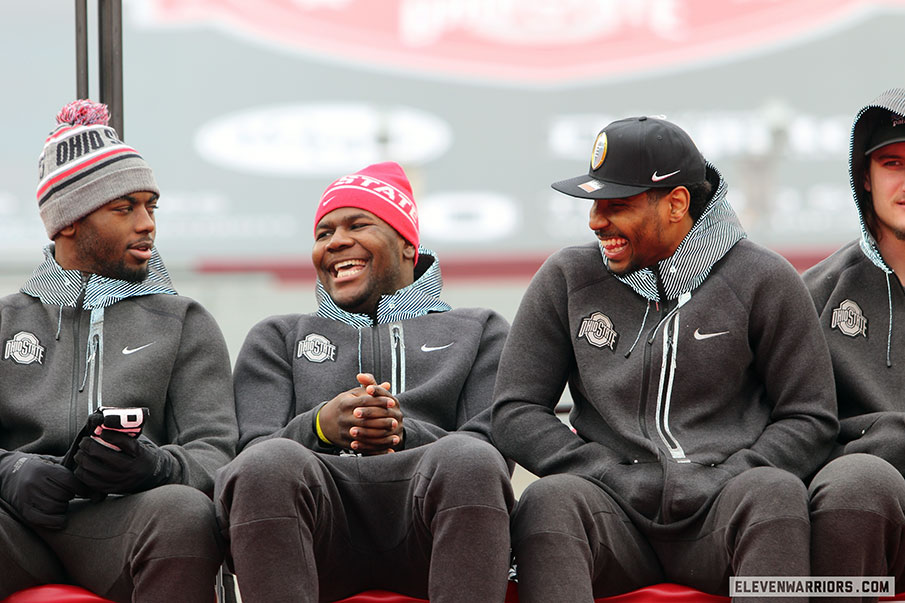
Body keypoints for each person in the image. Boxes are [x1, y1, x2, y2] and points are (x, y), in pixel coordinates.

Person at [491, 116, 839, 601]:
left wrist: (730, 474)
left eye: (617, 206)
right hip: (611, 510)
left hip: (723, 511)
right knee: (550, 499)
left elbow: (810, 417)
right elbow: (514, 411)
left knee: (773, 493)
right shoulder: (567, 277)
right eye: (593, 204)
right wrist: (606, 472)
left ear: (676, 203)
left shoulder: (764, 278)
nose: (595, 222)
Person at [215, 161, 514, 603]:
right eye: (323, 234)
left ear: (408, 245)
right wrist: (319, 425)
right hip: (316, 536)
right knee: (266, 465)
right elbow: (248, 453)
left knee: (469, 458)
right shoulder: (278, 336)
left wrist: (401, 430)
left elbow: (495, 451)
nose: (336, 242)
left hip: (432, 533)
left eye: (358, 224)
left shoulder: (479, 329)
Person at [0, 100, 237, 602]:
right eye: (125, 208)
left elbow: (218, 454)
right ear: (68, 221)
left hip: (126, 525)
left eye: (151, 206)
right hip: (16, 526)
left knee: (183, 512)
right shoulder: (6, 320)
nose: (148, 223)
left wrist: (156, 468)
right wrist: (10, 470)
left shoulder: (184, 321)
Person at [804, 88, 905, 597]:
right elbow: (777, 431)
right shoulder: (810, 297)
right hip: (866, 509)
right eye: (893, 162)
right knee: (858, 484)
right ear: (865, 178)